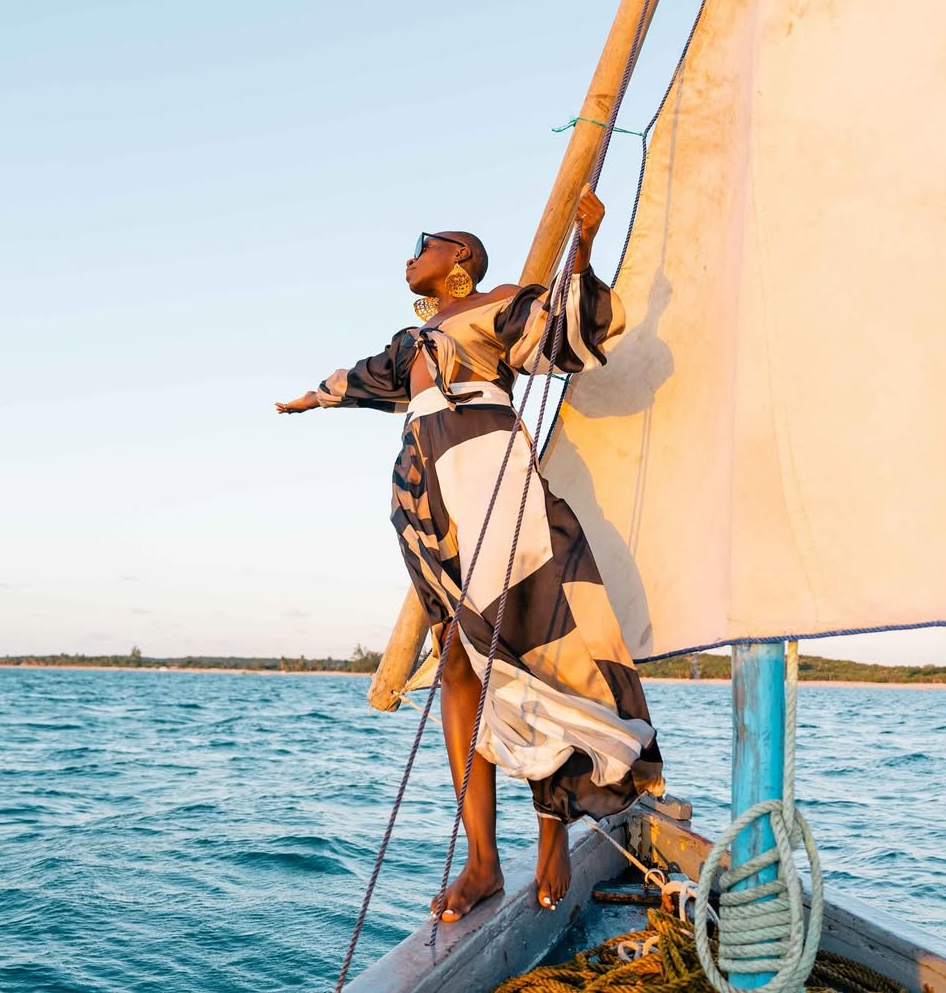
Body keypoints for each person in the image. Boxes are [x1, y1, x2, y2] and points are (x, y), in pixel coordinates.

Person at [276, 185, 662, 921]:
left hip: (489, 471)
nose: (410, 256)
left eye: (424, 242)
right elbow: (357, 380)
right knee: (458, 656)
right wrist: (309, 399)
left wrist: (582, 247)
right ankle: (482, 861)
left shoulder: (502, 302)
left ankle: (552, 829)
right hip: (426, 490)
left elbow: (563, 341)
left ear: (461, 257)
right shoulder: (408, 342)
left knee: (537, 649)